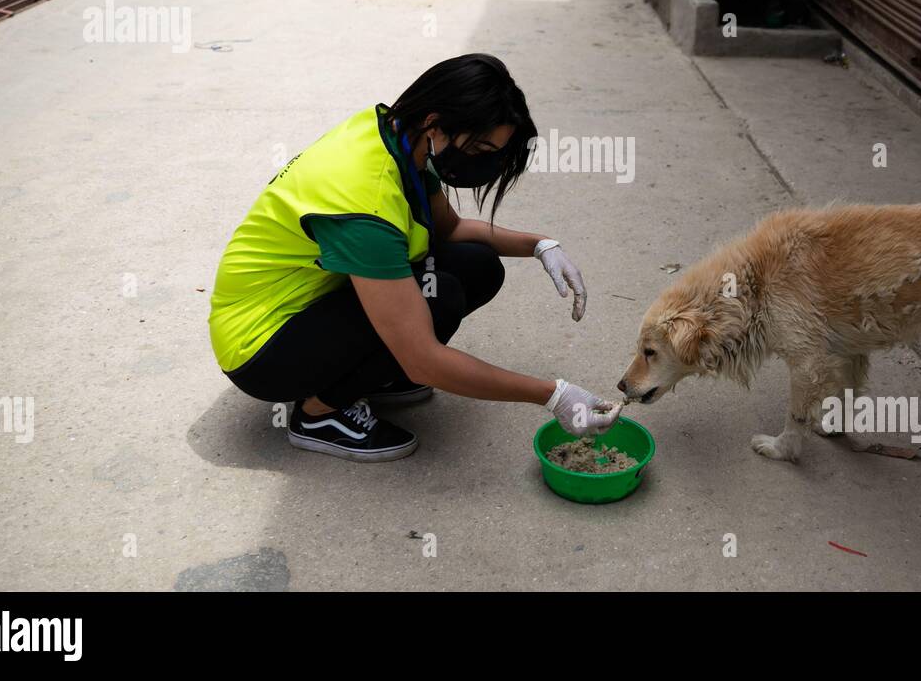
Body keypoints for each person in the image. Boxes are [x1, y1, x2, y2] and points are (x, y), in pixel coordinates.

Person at [209, 55, 622, 462]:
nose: (484, 164)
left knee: (475, 265)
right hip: (262, 346)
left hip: (309, 302)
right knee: (437, 301)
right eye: (480, 148)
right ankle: (319, 414)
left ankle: (368, 373)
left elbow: (451, 231)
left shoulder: (399, 136)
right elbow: (425, 360)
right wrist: (554, 396)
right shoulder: (364, 201)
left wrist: (540, 245)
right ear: (435, 122)